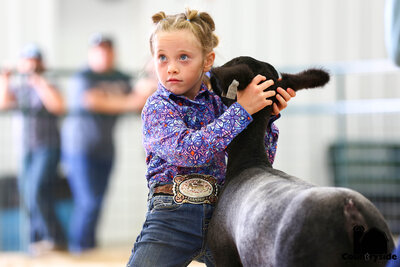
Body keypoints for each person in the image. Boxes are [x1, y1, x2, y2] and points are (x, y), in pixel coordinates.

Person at [126, 8, 296, 267]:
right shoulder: (158, 106)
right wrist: (242, 111)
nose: (171, 68)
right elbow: (188, 151)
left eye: (183, 57)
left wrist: (266, 118)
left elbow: (259, 159)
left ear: (207, 61)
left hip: (225, 216)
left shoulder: (221, 104)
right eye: (162, 58)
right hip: (172, 218)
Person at [61, 34, 149, 253]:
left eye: (107, 49)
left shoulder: (120, 76)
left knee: (98, 202)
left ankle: (88, 246)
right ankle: (79, 248)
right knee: (88, 201)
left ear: (113, 52)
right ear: (92, 52)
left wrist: (150, 84)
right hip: (79, 149)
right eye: (99, 50)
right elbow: (94, 101)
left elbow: (139, 102)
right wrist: (130, 101)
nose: (104, 54)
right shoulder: (83, 76)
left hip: (106, 149)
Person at [0, 44, 66, 254]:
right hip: (25, 148)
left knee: (37, 189)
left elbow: (58, 106)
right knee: (27, 194)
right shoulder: (19, 89)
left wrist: (37, 79)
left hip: (47, 147)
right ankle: (37, 240)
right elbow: (3, 103)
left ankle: (54, 237)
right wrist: (6, 78)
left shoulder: (49, 84)